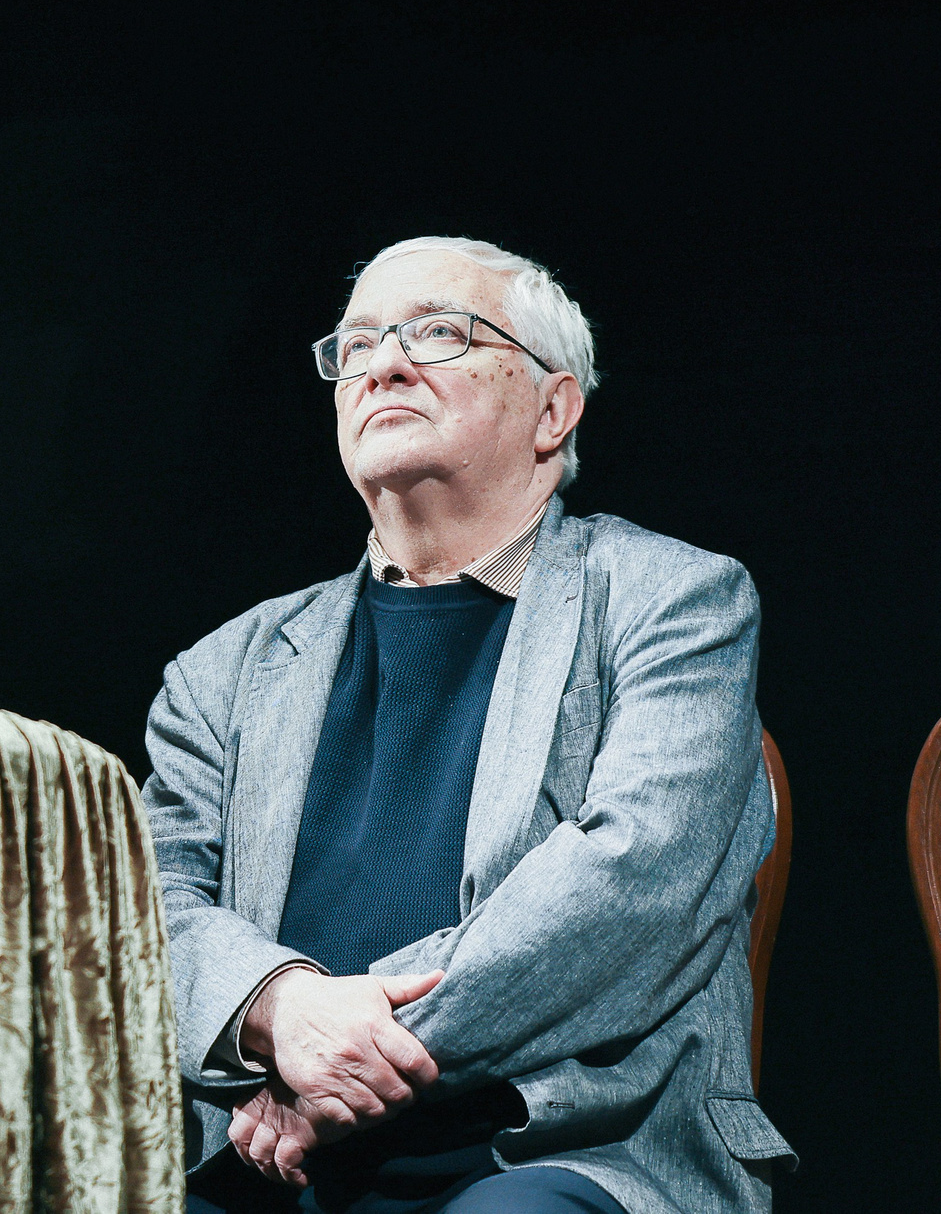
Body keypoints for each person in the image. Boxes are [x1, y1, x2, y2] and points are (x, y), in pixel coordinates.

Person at [144, 238, 795, 1214]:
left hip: (559, 1152)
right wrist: (277, 1010)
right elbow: (143, 897)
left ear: (553, 409)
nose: (384, 363)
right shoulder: (223, 667)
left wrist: (329, 1054)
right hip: (256, 1155)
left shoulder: (675, 600)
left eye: (438, 332)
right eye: (356, 343)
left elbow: (627, 886)